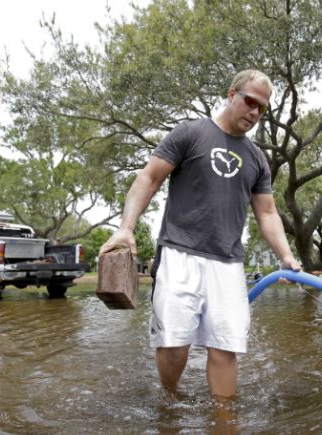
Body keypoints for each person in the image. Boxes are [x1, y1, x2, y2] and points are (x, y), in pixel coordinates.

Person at [98, 69, 301, 398]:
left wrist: (286, 255)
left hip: (228, 262)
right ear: (231, 94)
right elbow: (148, 178)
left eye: (262, 108)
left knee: (225, 349)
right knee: (174, 345)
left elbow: (266, 212)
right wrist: (126, 228)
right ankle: (169, 401)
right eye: (250, 101)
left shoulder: (256, 159)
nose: (254, 112)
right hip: (179, 253)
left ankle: (225, 427)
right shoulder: (190, 133)